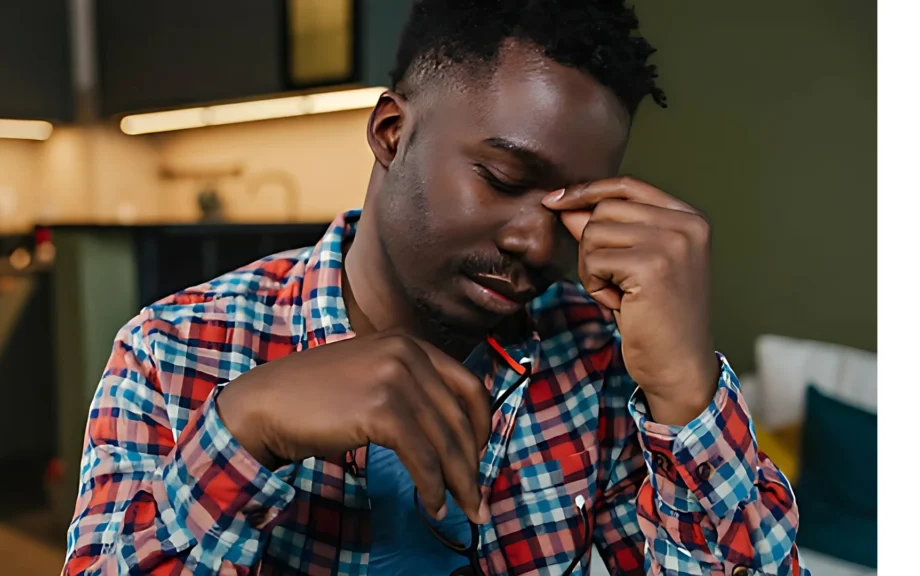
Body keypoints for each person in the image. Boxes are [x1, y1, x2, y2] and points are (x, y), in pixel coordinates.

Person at [63, 1, 807, 574]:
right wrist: (244, 430)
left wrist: (686, 390)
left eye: (577, 209)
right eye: (504, 179)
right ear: (391, 133)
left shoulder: (601, 359)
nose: (536, 243)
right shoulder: (174, 352)